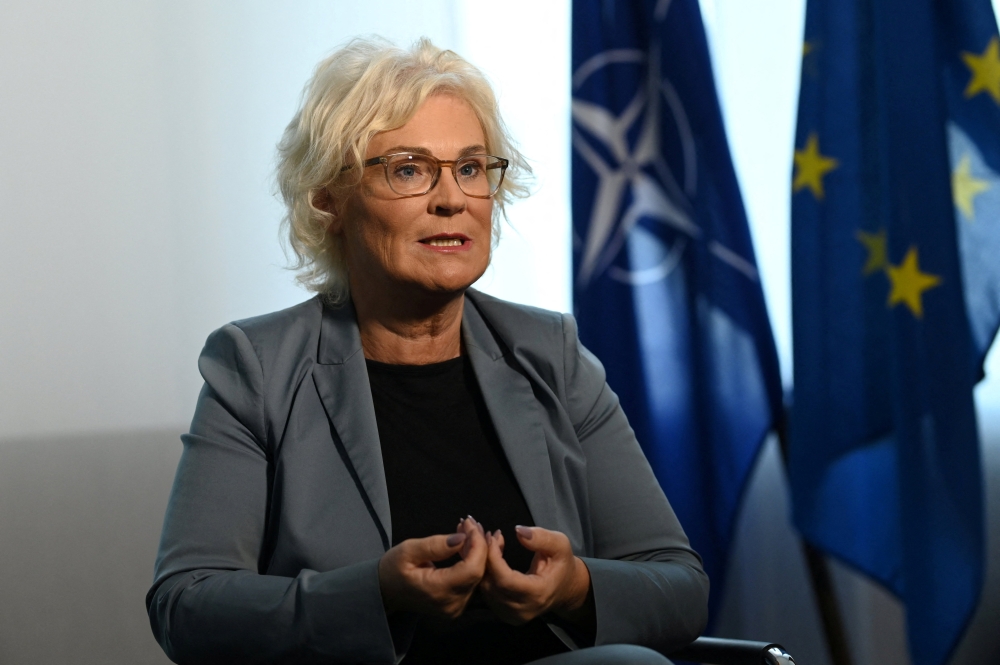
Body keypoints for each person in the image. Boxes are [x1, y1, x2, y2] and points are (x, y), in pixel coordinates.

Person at [146, 37, 708, 665]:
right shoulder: (255, 366)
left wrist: (576, 588)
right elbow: (186, 606)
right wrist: (376, 594)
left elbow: (679, 588)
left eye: (470, 168)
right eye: (409, 169)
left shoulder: (553, 354)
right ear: (328, 197)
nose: (452, 199)